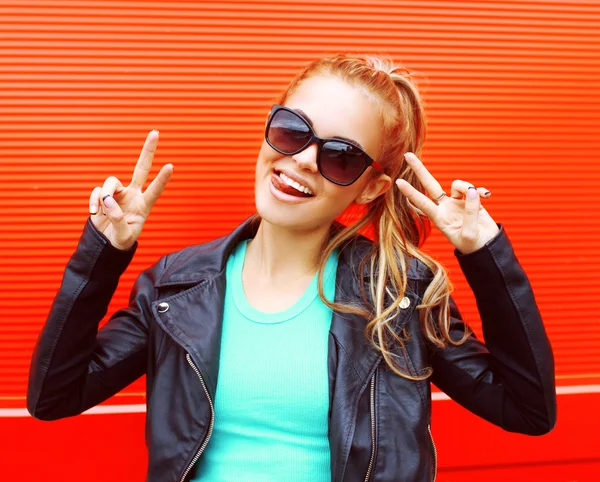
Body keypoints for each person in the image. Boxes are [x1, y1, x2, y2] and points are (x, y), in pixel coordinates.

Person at [26, 53, 556, 482]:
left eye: (341, 156)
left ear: (371, 185)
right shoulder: (177, 286)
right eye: (292, 130)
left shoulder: (396, 296)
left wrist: (482, 249)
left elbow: (527, 409)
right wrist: (103, 250)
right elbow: (55, 397)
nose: (303, 159)